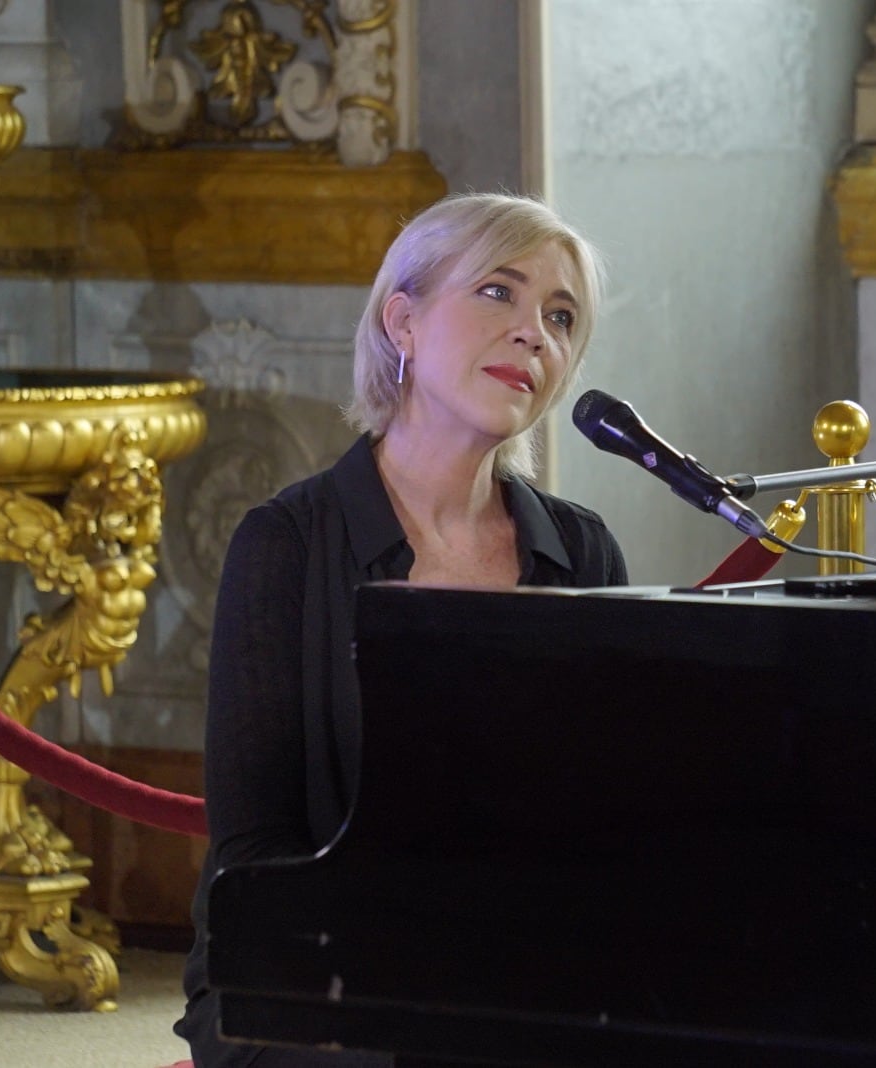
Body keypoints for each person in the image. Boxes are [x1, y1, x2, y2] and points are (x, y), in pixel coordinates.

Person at [175, 192, 629, 1066]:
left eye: (562, 316)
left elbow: (604, 829)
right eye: (499, 292)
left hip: (521, 973)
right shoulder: (287, 544)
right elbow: (253, 848)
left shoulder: (582, 552)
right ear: (403, 322)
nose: (535, 333)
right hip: (308, 973)